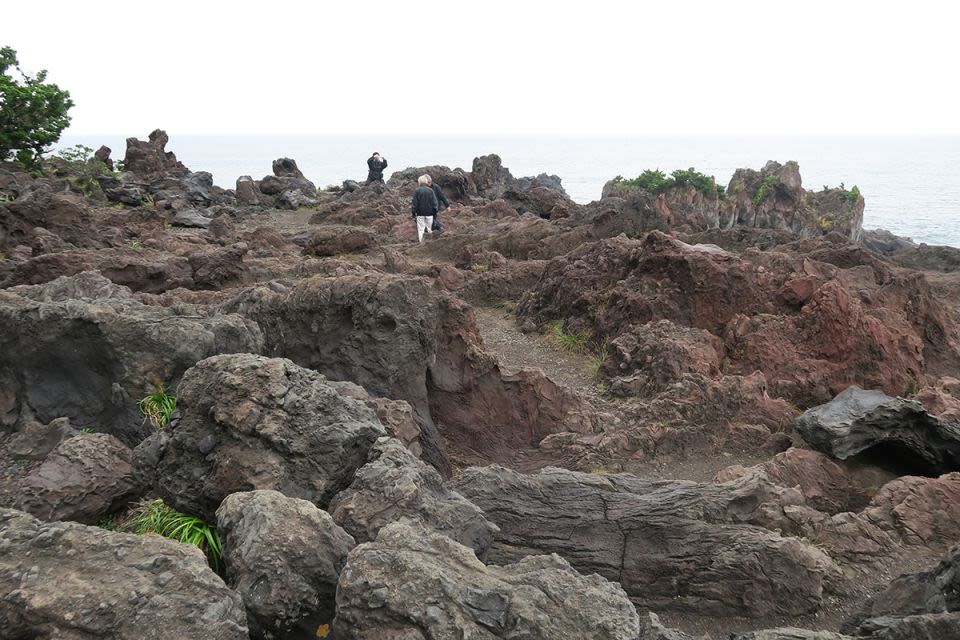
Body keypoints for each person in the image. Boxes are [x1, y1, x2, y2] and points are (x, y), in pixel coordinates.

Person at [411, 174, 438, 242]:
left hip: (420, 214)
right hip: (430, 213)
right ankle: (430, 243)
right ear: (426, 182)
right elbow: (435, 203)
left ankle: (421, 243)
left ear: (419, 182)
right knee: (429, 229)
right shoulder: (431, 191)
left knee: (421, 229)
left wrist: (413, 213)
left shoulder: (417, 191)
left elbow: (415, 204)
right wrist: (435, 213)